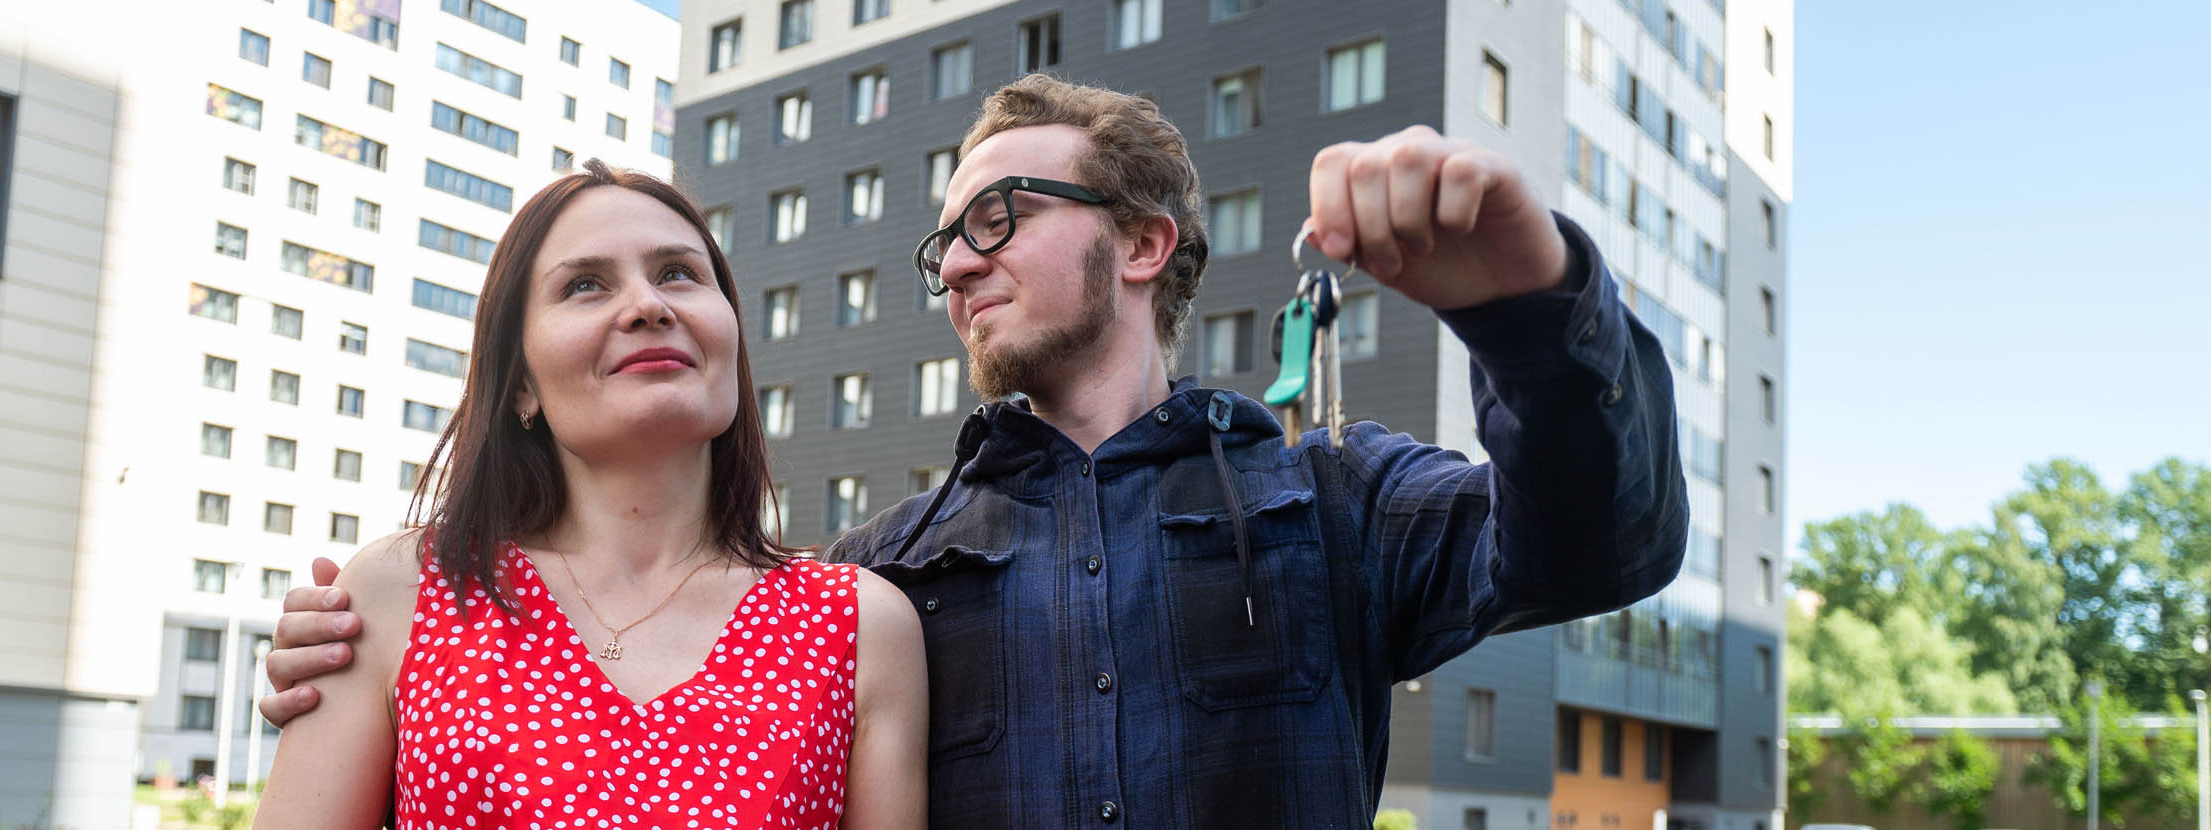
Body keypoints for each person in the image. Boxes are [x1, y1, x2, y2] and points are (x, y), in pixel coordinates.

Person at [265, 75, 1685, 827]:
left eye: (998, 218)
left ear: (1142, 241)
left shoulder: (1331, 499)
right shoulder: (874, 582)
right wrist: (360, 647)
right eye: (945, 239)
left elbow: (1602, 543)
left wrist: (1528, 308)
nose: (955, 262)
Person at [249, 160, 926, 830]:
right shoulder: (401, 592)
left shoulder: (861, 627)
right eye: (585, 285)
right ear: (521, 383)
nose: (648, 306)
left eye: (678, 273)